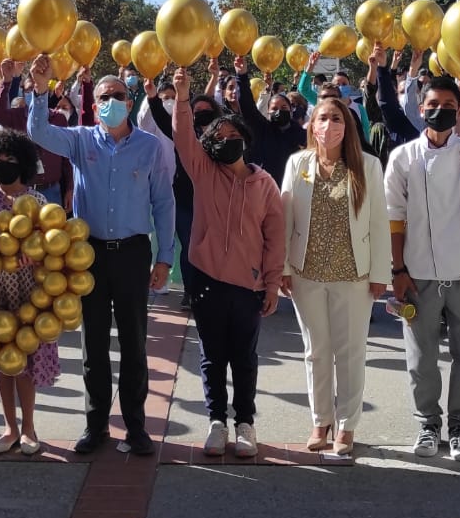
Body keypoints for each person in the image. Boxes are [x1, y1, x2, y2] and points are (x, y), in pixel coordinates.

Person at [26, 54, 174, 456]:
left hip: (131, 253)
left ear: (130, 102)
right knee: (93, 346)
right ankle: (96, 426)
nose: (112, 101)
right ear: (95, 106)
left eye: (119, 96)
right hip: (88, 254)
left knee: (134, 344)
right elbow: (38, 130)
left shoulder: (149, 147)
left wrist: (164, 258)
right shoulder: (79, 139)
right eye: (104, 96)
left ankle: (137, 428)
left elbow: (163, 202)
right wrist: (40, 90)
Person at [385, 73, 460, 462]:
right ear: (420, 109)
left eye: (448, 108)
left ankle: (459, 427)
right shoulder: (403, 157)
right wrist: (398, 270)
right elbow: (394, 217)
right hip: (418, 271)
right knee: (421, 356)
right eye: (432, 106)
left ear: (458, 113)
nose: (439, 113)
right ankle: (427, 423)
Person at [171, 68, 283, 457]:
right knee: (212, 356)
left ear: (246, 142)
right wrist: (183, 99)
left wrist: (271, 284)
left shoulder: (264, 184)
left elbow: (275, 238)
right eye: (219, 137)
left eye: (235, 136)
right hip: (206, 279)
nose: (228, 142)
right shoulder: (204, 173)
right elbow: (183, 138)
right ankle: (217, 422)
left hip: (248, 285)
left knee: (245, 359)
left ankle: (245, 424)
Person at [280, 96, 388, 456]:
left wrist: (379, 274)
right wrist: (282, 267)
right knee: (316, 352)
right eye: (323, 118)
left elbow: (378, 223)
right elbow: (286, 220)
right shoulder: (298, 164)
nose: (329, 125)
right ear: (312, 125)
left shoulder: (367, 167)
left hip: (353, 274)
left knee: (351, 352)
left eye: (337, 119)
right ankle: (320, 420)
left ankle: (347, 426)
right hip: (306, 273)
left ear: (348, 126)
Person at [0, 130, 61, 455]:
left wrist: (35, 255)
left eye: (11, 159)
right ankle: (8, 426)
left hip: (28, 291)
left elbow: (54, 247)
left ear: (25, 163)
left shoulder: (37, 202)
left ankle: (30, 427)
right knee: (1, 358)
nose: (5, 165)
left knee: (27, 361)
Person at [137, 70, 219, 308]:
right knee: (188, 244)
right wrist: (153, 98)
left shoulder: (222, 136)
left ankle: (211, 289)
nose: (202, 114)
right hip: (184, 199)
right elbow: (164, 122)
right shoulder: (184, 135)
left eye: (207, 111)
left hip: (214, 200)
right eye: (198, 110)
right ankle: (190, 292)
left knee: (210, 247)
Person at [0, 58, 75, 208]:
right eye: (29, 90)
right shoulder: (16, 116)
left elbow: (67, 158)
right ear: (23, 93)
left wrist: (69, 188)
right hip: (21, 192)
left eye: (36, 89)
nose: (33, 93)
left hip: (52, 190)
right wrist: (6, 81)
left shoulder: (59, 118)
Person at [234, 55, 307, 194]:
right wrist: (242, 76)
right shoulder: (262, 129)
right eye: (274, 108)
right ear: (268, 112)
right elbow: (247, 106)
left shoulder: (302, 136)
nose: (279, 111)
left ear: (291, 111)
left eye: (284, 108)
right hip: (261, 194)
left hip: (292, 195)